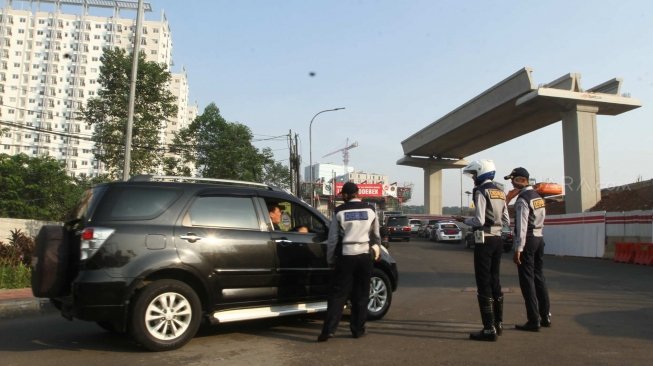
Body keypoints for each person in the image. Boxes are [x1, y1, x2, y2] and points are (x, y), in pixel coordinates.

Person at [318, 182, 382, 342]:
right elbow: (376, 235)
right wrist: (377, 250)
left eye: (342, 195)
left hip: (346, 255)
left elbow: (332, 240)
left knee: (338, 295)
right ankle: (357, 330)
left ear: (346, 195)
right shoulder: (370, 209)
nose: (342, 197)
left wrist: (330, 259)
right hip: (364, 256)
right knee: (361, 295)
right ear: (358, 193)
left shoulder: (339, 211)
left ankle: (328, 331)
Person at [456, 159, 509, 342]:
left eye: (474, 175)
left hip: (484, 239)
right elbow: (507, 220)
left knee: (483, 281)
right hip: (498, 239)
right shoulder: (500, 192)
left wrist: (464, 220)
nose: (473, 179)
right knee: (495, 280)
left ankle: (488, 329)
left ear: (481, 173)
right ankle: (499, 324)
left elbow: (478, 220)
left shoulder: (480, 191)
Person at [504, 167, 551, 331]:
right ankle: (545, 316)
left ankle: (533, 320)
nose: (511, 182)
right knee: (539, 278)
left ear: (520, 180)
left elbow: (521, 226)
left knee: (527, 281)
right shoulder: (538, 196)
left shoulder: (523, 199)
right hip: (539, 238)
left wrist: (518, 249)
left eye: (513, 179)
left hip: (528, 240)